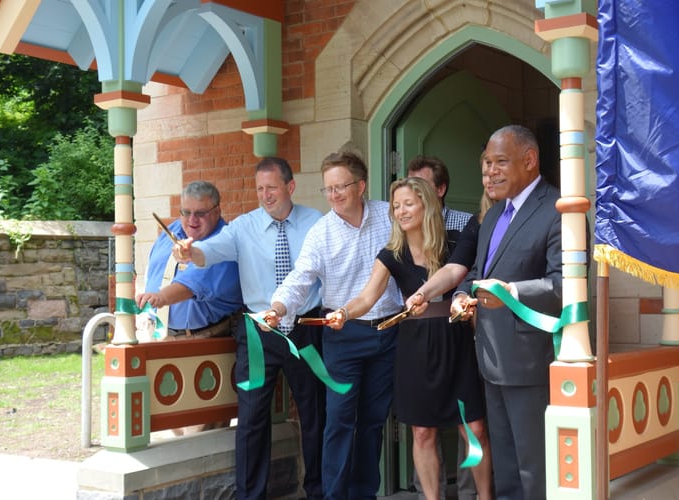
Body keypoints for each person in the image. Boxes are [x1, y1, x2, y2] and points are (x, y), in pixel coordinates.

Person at [321, 177, 492, 500]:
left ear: (427, 204)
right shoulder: (390, 255)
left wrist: (426, 293)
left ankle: (486, 496)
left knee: (475, 428)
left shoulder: (457, 242)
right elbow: (366, 298)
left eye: (408, 203)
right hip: (414, 347)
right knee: (423, 432)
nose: (400, 211)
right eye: (396, 206)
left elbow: (457, 275)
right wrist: (344, 312)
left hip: (456, 341)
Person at [173, 158, 325, 500]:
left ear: (290, 186)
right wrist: (191, 250)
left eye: (271, 187)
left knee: (315, 413)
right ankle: (250, 495)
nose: (265, 195)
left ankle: (318, 491)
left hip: (306, 329)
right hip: (259, 333)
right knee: (252, 418)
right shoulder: (243, 227)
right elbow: (210, 250)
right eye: (259, 188)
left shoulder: (316, 222)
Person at [260, 151, 404, 500]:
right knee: (339, 422)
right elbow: (300, 277)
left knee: (373, 422)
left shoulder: (390, 216)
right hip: (343, 336)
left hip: (388, 331)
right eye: (328, 189)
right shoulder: (320, 232)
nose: (335, 195)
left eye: (341, 186)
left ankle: (364, 494)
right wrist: (278, 307)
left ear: (361, 186)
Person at [450, 125, 562, 499]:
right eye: (485, 165)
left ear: (529, 161)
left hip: (532, 363)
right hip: (491, 360)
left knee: (536, 469)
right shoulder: (493, 216)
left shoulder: (558, 209)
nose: (489, 173)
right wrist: (462, 295)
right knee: (508, 470)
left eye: (500, 162)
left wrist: (511, 293)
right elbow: (481, 276)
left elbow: (565, 286)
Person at [407, 155, 474, 500]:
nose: (414, 194)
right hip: (417, 338)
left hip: (460, 332)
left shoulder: (464, 223)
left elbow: (469, 270)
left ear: (441, 188)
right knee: (423, 427)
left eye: (423, 185)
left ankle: (470, 493)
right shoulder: (402, 232)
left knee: (470, 424)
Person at [136, 181, 243, 341]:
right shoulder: (171, 232)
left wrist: (159, 298)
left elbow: (190, 286)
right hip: (158, 334)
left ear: (217, 212)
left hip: (205, 339)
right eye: (186, 212)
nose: (192, 220)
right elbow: (151, 274)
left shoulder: (224, 245)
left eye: (200, 213)